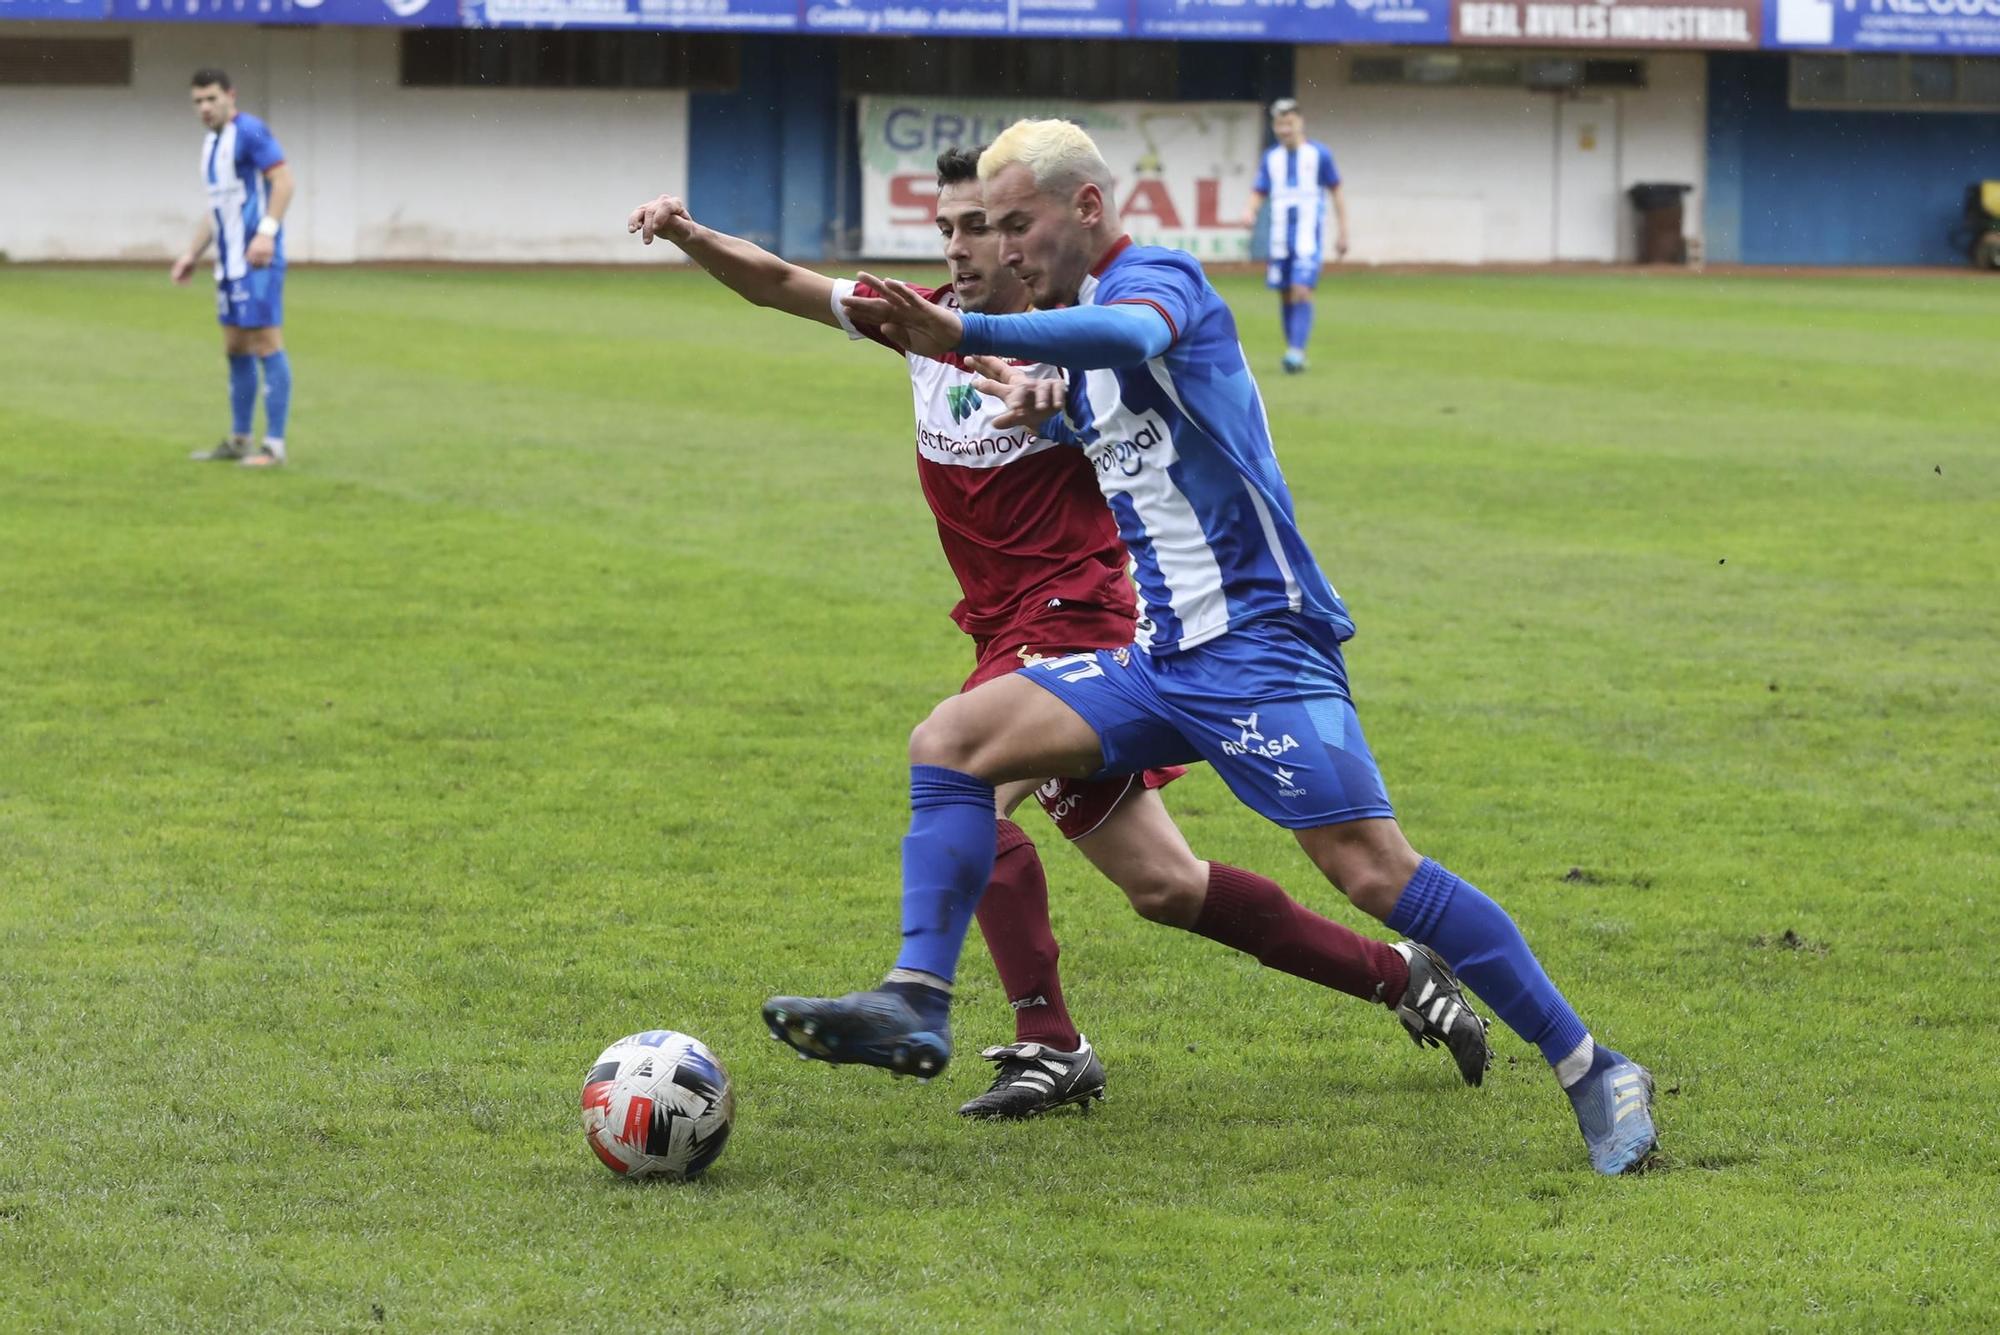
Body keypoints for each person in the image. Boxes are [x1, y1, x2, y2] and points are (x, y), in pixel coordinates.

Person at [766, 119, 1657, 1175]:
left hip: (1261, 647)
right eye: (986, 228)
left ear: (1084, 209)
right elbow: (1127, 429)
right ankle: (915, 1001)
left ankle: (1592, 1066)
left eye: (1017, 223)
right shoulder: (1070, 325)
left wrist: (962, 342)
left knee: (1371, 870)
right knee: (953, 743)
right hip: (1160, 656)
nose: (998, 248)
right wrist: (1040, 411)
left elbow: (1136, 340)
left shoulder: (1158, 281)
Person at [630, 149, 1490, 1118]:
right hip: (1000, 623)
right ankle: (1399, 976)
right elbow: (782, 283)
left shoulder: (1075, 343)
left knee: (968, 778)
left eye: (982, 227)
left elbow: (1146, 385)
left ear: (1022, 235)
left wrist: (1049, 388)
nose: (959, 247)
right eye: (948, 230)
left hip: (1074, 616)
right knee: (1163, 885)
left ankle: (1015, 1031)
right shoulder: (922, 324)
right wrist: (690, 233)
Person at [172, 68, 294, 469]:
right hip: (227, 264)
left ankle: (273, 446)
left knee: (266, 343)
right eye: (198, 101)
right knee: (235, 346)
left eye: (211, 98)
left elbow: (283, 181)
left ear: (230, 96)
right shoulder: (211, 145)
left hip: (257, 260)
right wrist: (192, 253)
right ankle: (240, 439)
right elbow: (218, 208)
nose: (204, 107)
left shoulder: (251, 132)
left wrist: (267, 233)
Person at [1239, 98, 1347, 376]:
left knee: (1301, 289)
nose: (1284, 129)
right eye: (1279, 123)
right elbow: (1258, 190)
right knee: (1286, 294)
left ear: (1300, 122)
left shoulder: (1319, 155)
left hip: (1307, 237)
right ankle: (1293, 351)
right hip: (1279, 237)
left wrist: (1343, 231)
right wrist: (1249, 212)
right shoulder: (1271, 158)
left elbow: (1337, 192)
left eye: (1289, 122)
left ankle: (1296, 351)